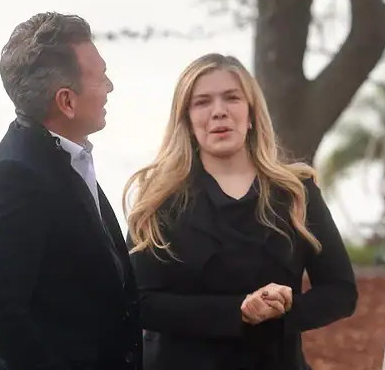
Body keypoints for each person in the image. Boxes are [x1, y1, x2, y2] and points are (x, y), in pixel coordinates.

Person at [124, 53, 357, 369]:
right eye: (202, 102)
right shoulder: (158, 199)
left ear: (251, 114)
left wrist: (285, 309)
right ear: (187, 121)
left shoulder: (296, 193)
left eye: (232, 98)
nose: (219, 111)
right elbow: (139, 302)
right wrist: (239, 312)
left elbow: (341, 292)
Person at [0, 12, 142, 369]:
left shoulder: (62, 156)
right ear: (66, 101)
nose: (110, 86)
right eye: (101, 77)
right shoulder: (17, 178)